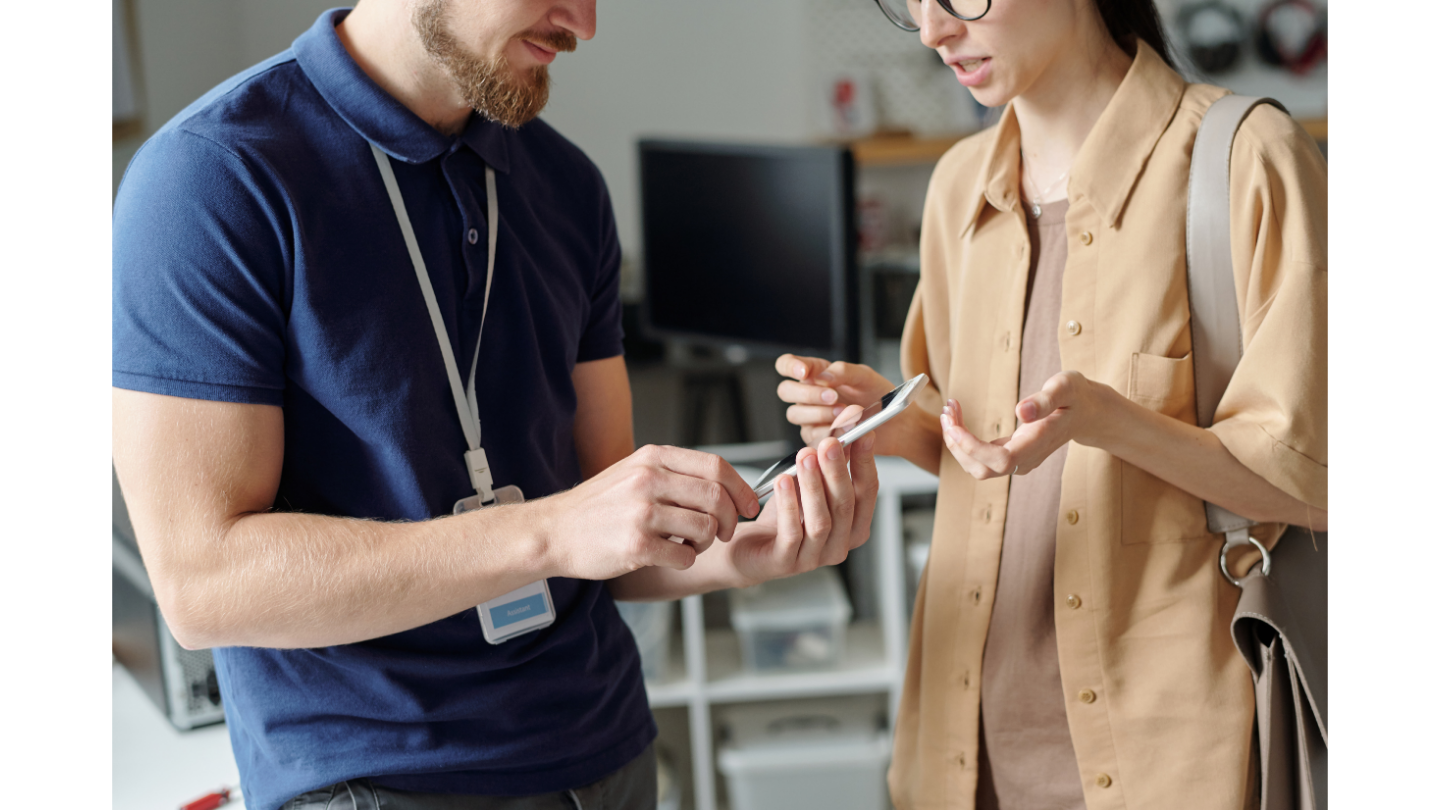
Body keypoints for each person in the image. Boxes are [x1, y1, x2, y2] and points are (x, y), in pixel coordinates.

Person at [111, 2, 879, 808]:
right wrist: (546, 532)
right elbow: (204, 587)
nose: (583, 25)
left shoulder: (569, 186)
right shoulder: (210, 179)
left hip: (608, 755)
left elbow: (608, 526)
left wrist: (751, 545)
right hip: (378, 781)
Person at [776, 1, 1327, 808]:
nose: (933, 30)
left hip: (1172, 763)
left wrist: (1113, 425)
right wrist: (900, 426)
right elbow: (987, 464)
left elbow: (1307, 480)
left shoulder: (1248, 160)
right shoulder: (958, 186)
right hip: (965, 755)